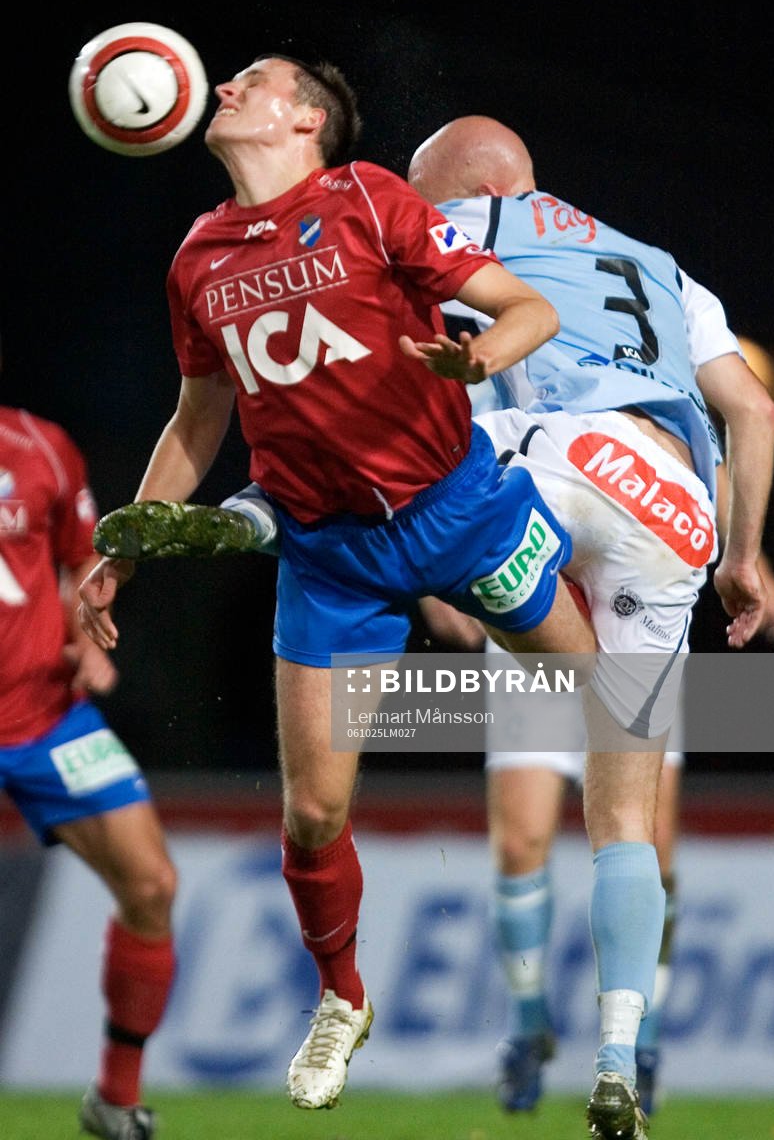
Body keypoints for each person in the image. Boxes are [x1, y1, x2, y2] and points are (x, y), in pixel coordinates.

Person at [77, 56, 598, 1113]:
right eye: (225, 81)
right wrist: (122, 547)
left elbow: (527, 309)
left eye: (247, 81)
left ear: (306, 119)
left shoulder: (370, 198)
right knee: (313, 809)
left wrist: (477, 355)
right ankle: (341, 994)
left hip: (458, 510)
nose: (222, 88)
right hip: (332, 553)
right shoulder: (198, 257)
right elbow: (198, 417)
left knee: (614, 699)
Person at [404, 116, 774, 1139]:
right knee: (626, 822)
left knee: (424, 510)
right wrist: (743, 559)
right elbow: (755, 413)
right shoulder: (667, 268)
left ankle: (481, 560)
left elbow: (416, 388)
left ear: (462, 190)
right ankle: (616, 1055)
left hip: (555, 470)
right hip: (670, 512)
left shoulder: (462, 226)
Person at [0, 390, 177, 1140]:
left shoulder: (40, 444)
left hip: (45, 717)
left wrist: (82, 633)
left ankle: (115, 1097)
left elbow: (78, 563)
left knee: (152, 883)